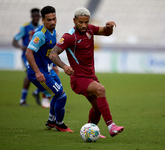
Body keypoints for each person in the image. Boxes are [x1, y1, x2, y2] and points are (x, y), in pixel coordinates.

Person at [49, 7, 124, 137]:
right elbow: (53, 54)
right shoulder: (69, 36)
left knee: (98, 108)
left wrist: (109, 26)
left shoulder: (90, 29)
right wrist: (64, 66)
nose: (84, 25)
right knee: (101, 89)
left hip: (91, 77)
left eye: (86, 22)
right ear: (74, 20)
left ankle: (89, 131)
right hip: (78, 79)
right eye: (80, 22)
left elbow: (106, 33)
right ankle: (111, 126)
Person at [25, 6, 73, 132]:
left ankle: (51, 121)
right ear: (43, 20)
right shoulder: (40, 34)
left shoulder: (53, 32)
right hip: (39, 72)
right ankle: (59, 124)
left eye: (54, 18)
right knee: (62, 96)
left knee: (58, 94)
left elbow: (51, 52)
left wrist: (55, 66)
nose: (52, 22)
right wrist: (37, 72)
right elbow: (28, 53)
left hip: (48, 69)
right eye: (49, 20)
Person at [12, 8, 41, 106]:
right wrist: (21, 47)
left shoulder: (41, 28)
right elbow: (14, 40)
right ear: (31, 16)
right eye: (34, 16)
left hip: (38, 56)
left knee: (46, 73)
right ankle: (22, 100)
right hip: (27, 56)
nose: (36, 17)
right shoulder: (25, 27)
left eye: (38, 16)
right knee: (29, 75)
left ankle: (37, 92)